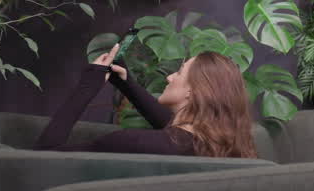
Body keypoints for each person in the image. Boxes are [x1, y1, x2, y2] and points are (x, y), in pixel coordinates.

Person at [35, 44, 257, 158]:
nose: (169, 77)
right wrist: (126, 84)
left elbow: (44, 157)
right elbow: (175, 132)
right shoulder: (226, 148)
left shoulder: (130, 143)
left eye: (179, 72)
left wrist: (87, 86)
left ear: (194, 91)